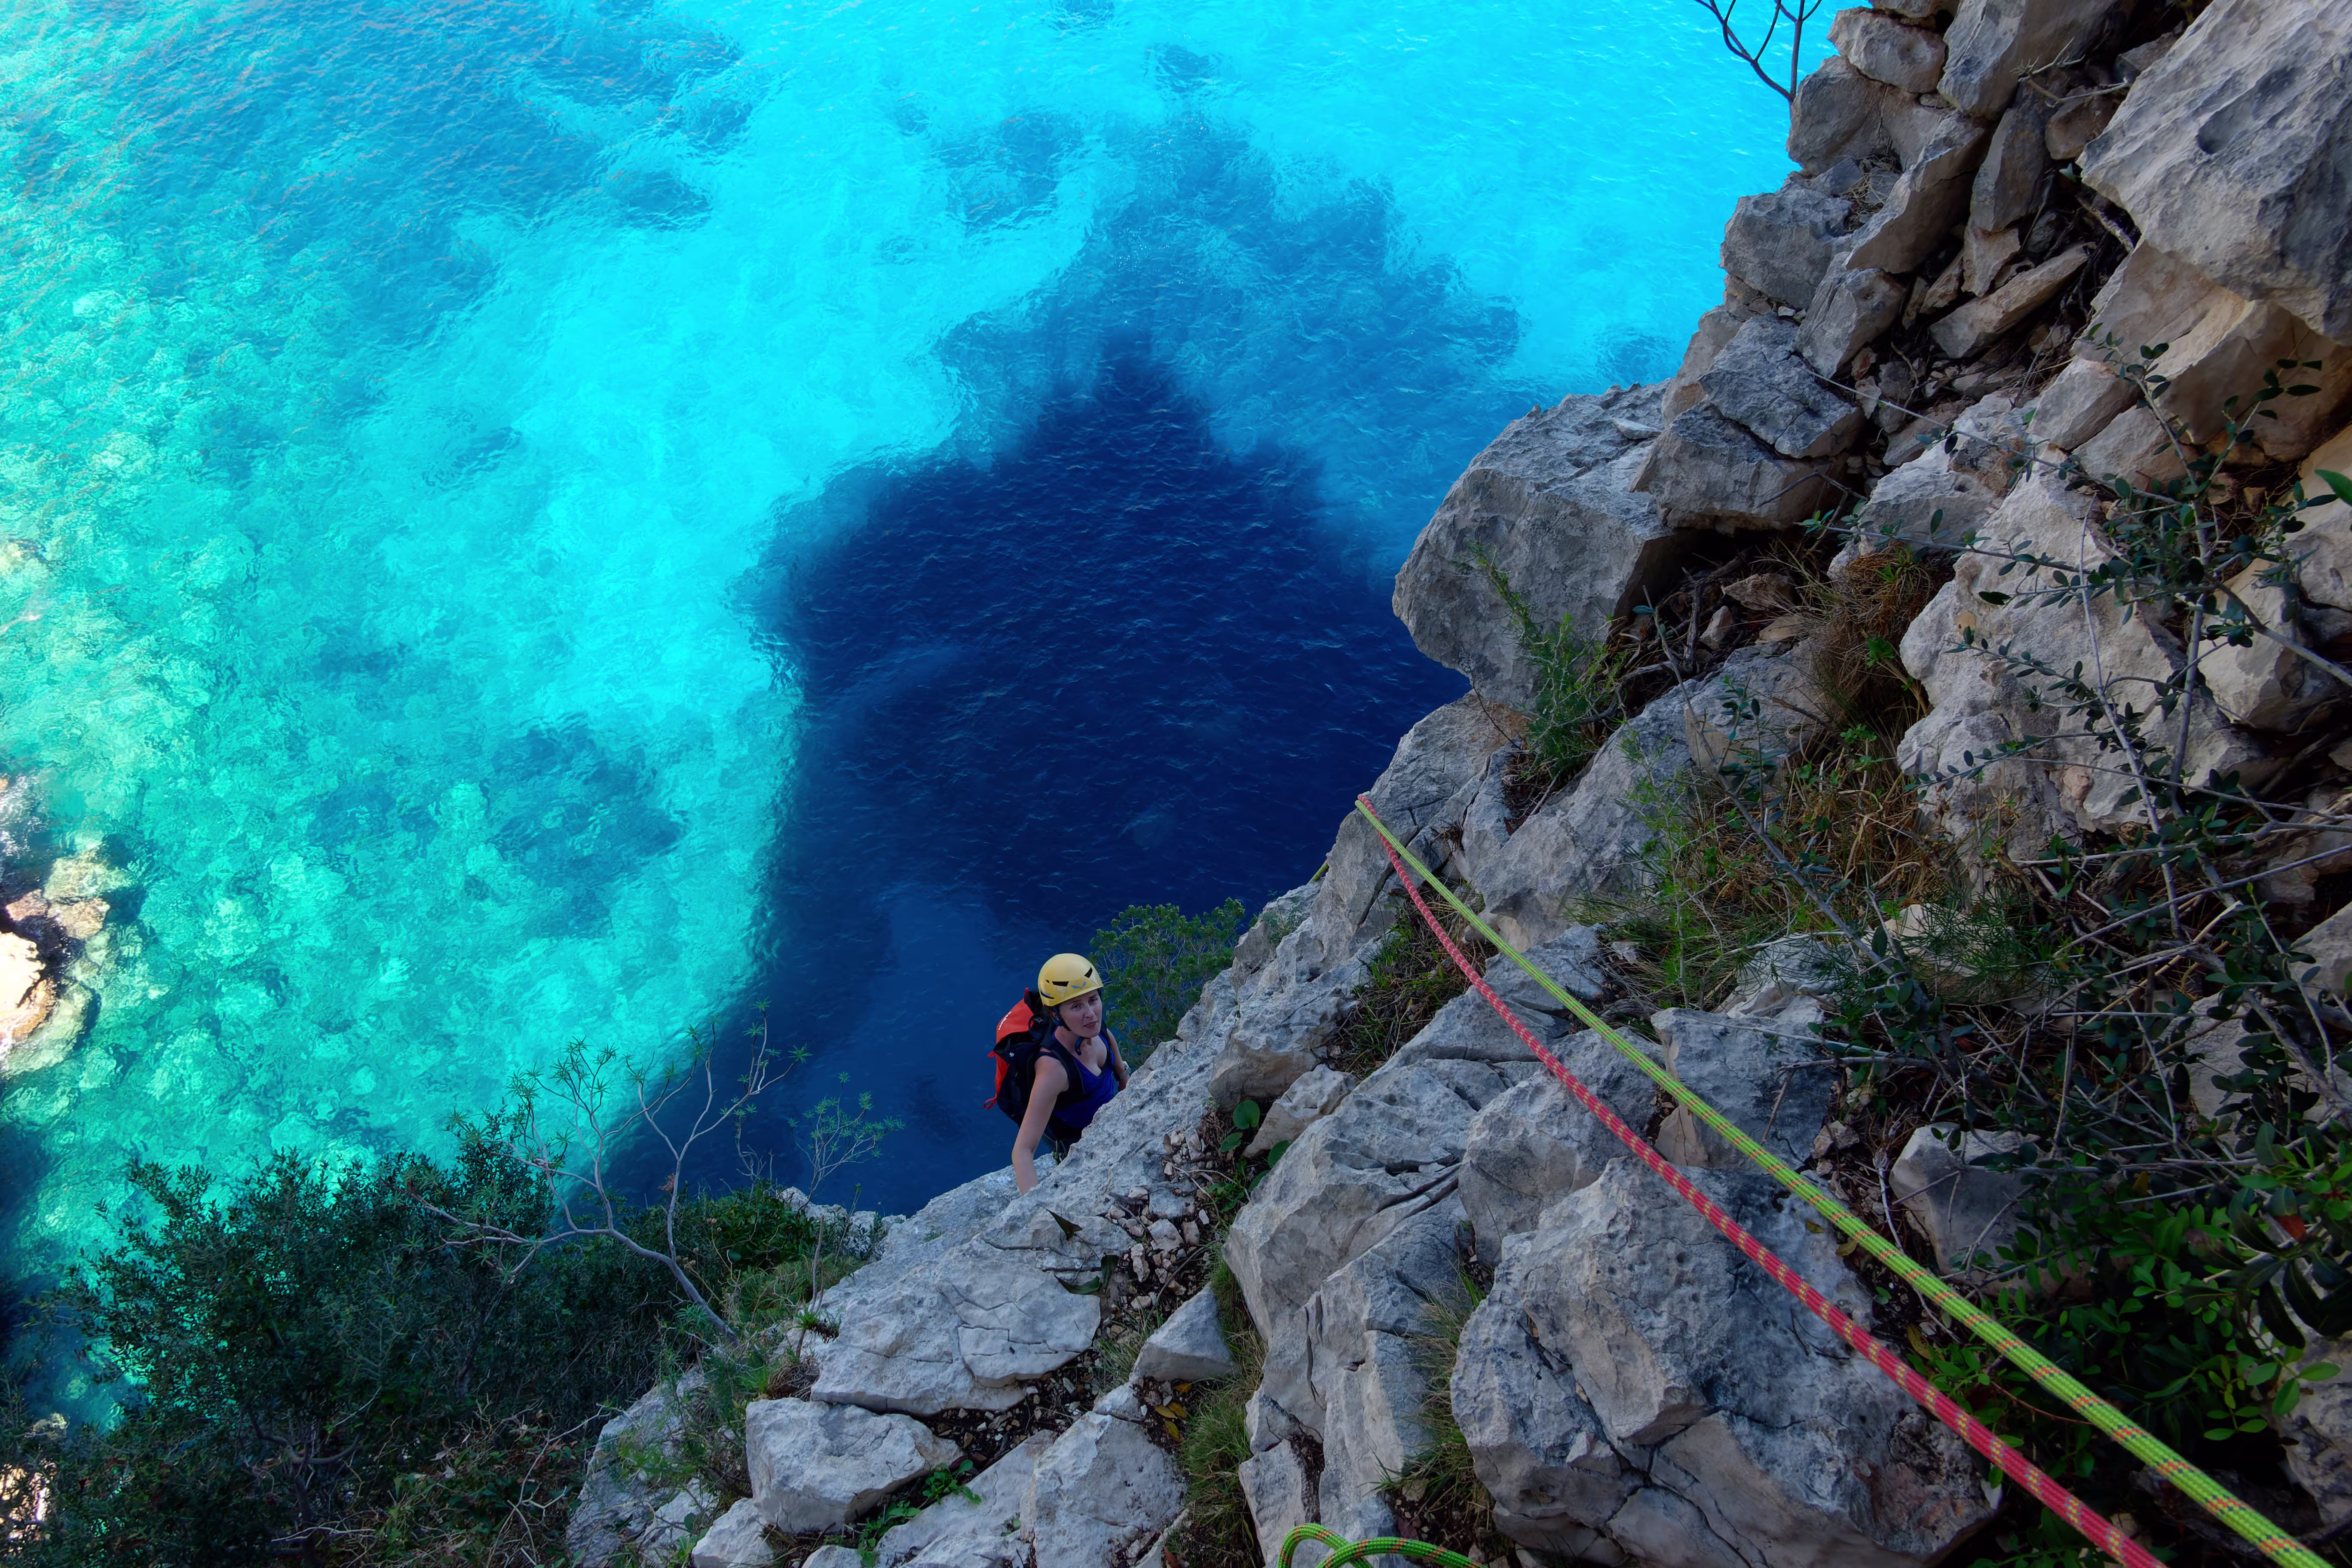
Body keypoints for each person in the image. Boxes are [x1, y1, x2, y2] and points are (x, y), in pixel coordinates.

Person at [1012, 953, 1129, 1193]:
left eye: (1093, 999)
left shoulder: (1098, 1031)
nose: (1091, 1013)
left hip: (1112, 1123)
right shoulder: (1054, 1069)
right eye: (1076, 1006)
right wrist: (1036, 1214)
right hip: (1079, 1144)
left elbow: (1121, 1072)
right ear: (1055, 1015)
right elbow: (1022, 1152)